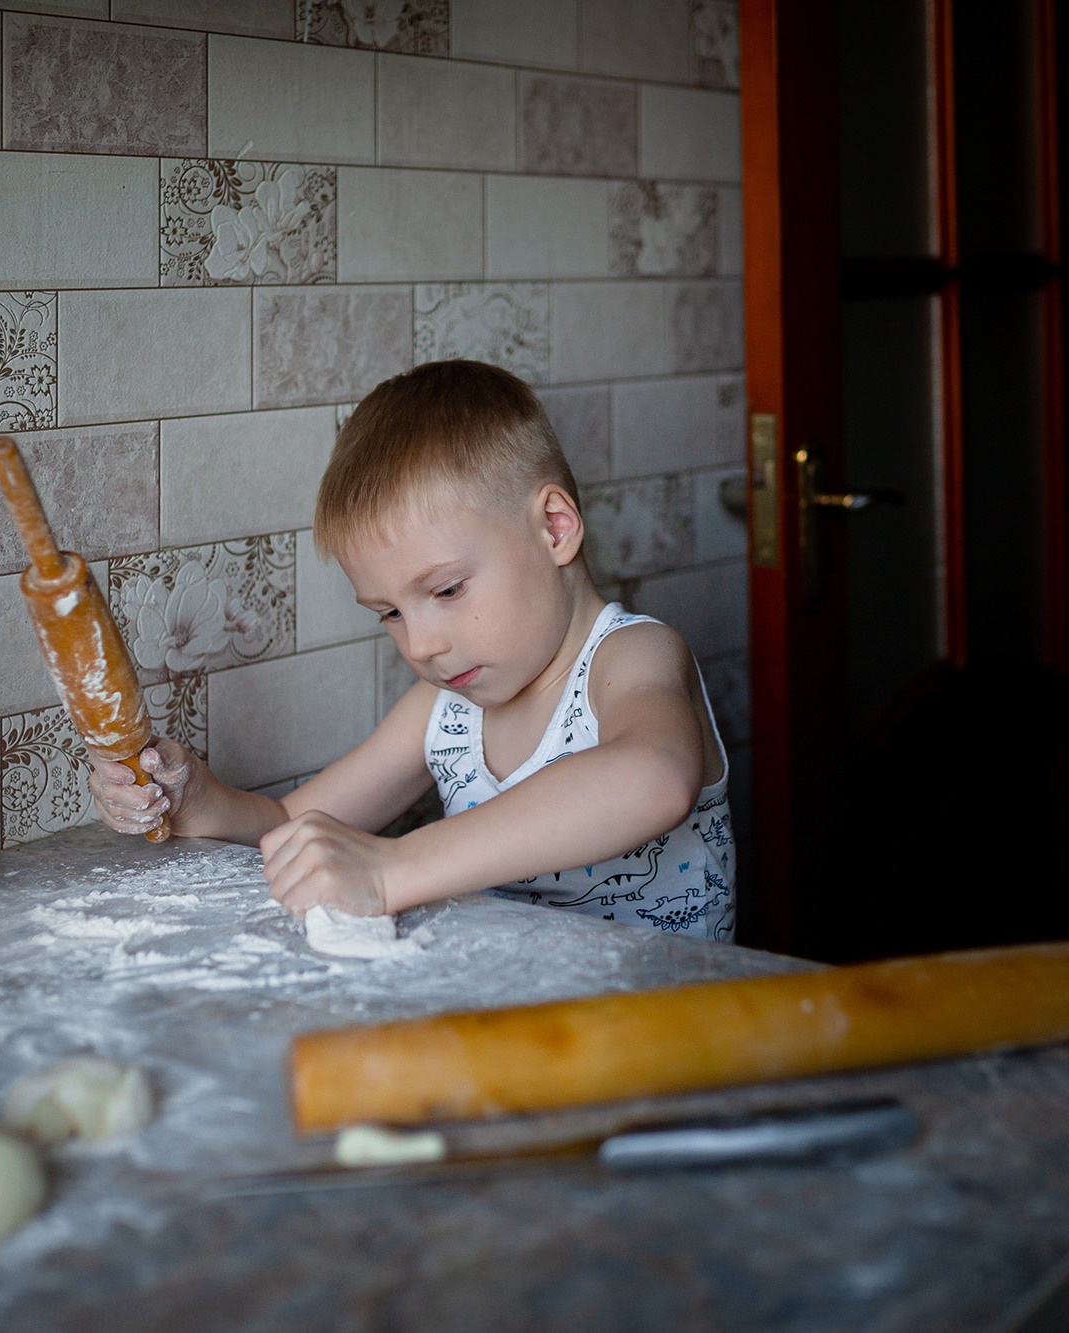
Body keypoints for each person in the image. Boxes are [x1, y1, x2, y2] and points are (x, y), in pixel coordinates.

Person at [89, 359, 737, 940]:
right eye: (392, 613)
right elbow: (289, 820)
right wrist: (194, 798)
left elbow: (653, 778)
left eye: (448, 589)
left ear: (554, 528)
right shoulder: (445, 709)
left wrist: (393, 867)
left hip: (674, 1046)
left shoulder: (634, 656)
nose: (423, 645)